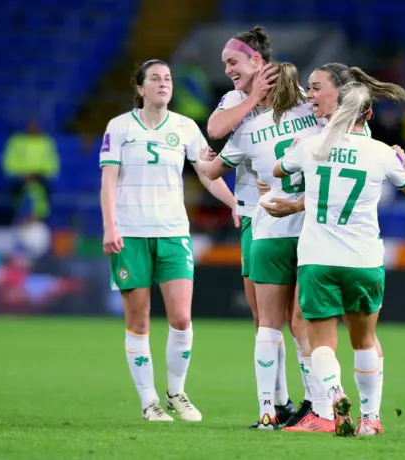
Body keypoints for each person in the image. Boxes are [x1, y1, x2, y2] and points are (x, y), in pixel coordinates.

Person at [259, 62, 405, 431]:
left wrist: (292, 187)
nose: (310, 96)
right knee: (364, 339)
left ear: (339, 97)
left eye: (316, 88)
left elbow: (282, 170)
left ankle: (330, 400)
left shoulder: (313, 143)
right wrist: (401, 160)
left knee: (317, 337)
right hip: (363, 258)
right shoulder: (376, 148)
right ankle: (369, 417)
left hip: (318, 256)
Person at [99, 59, 237, 422]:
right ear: (140, 89)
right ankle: (149, 403)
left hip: (174, 232)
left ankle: (176, 392)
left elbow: (207, 174)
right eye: (155, 79)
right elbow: (109, 180)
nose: (163, 83)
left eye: (168, 78)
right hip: (130, 233)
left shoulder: (186, 127)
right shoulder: (119, 127)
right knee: (139, 322)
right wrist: (110, 226)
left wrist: (235, 203)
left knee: (181, 317)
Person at [196, 62, 321, 430]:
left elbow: (213, 172)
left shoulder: (249, 130)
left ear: (263, 91)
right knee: (303, 323)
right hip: (308, 233)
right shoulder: (315, 120)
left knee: (267, 325)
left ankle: (268, 411)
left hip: (268, 231)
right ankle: (316, 403)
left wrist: (205, 162)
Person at [205, 26, 299, 427]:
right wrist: (252, 100)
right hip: (252, 214)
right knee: (264, 318)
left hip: (296, 215)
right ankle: (281, 403)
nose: (226, 69)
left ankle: (315, 402)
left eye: (232, 62)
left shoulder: (294, 94)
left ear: (256, 61)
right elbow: (215, 130)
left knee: (297, 319)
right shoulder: (235, 99)